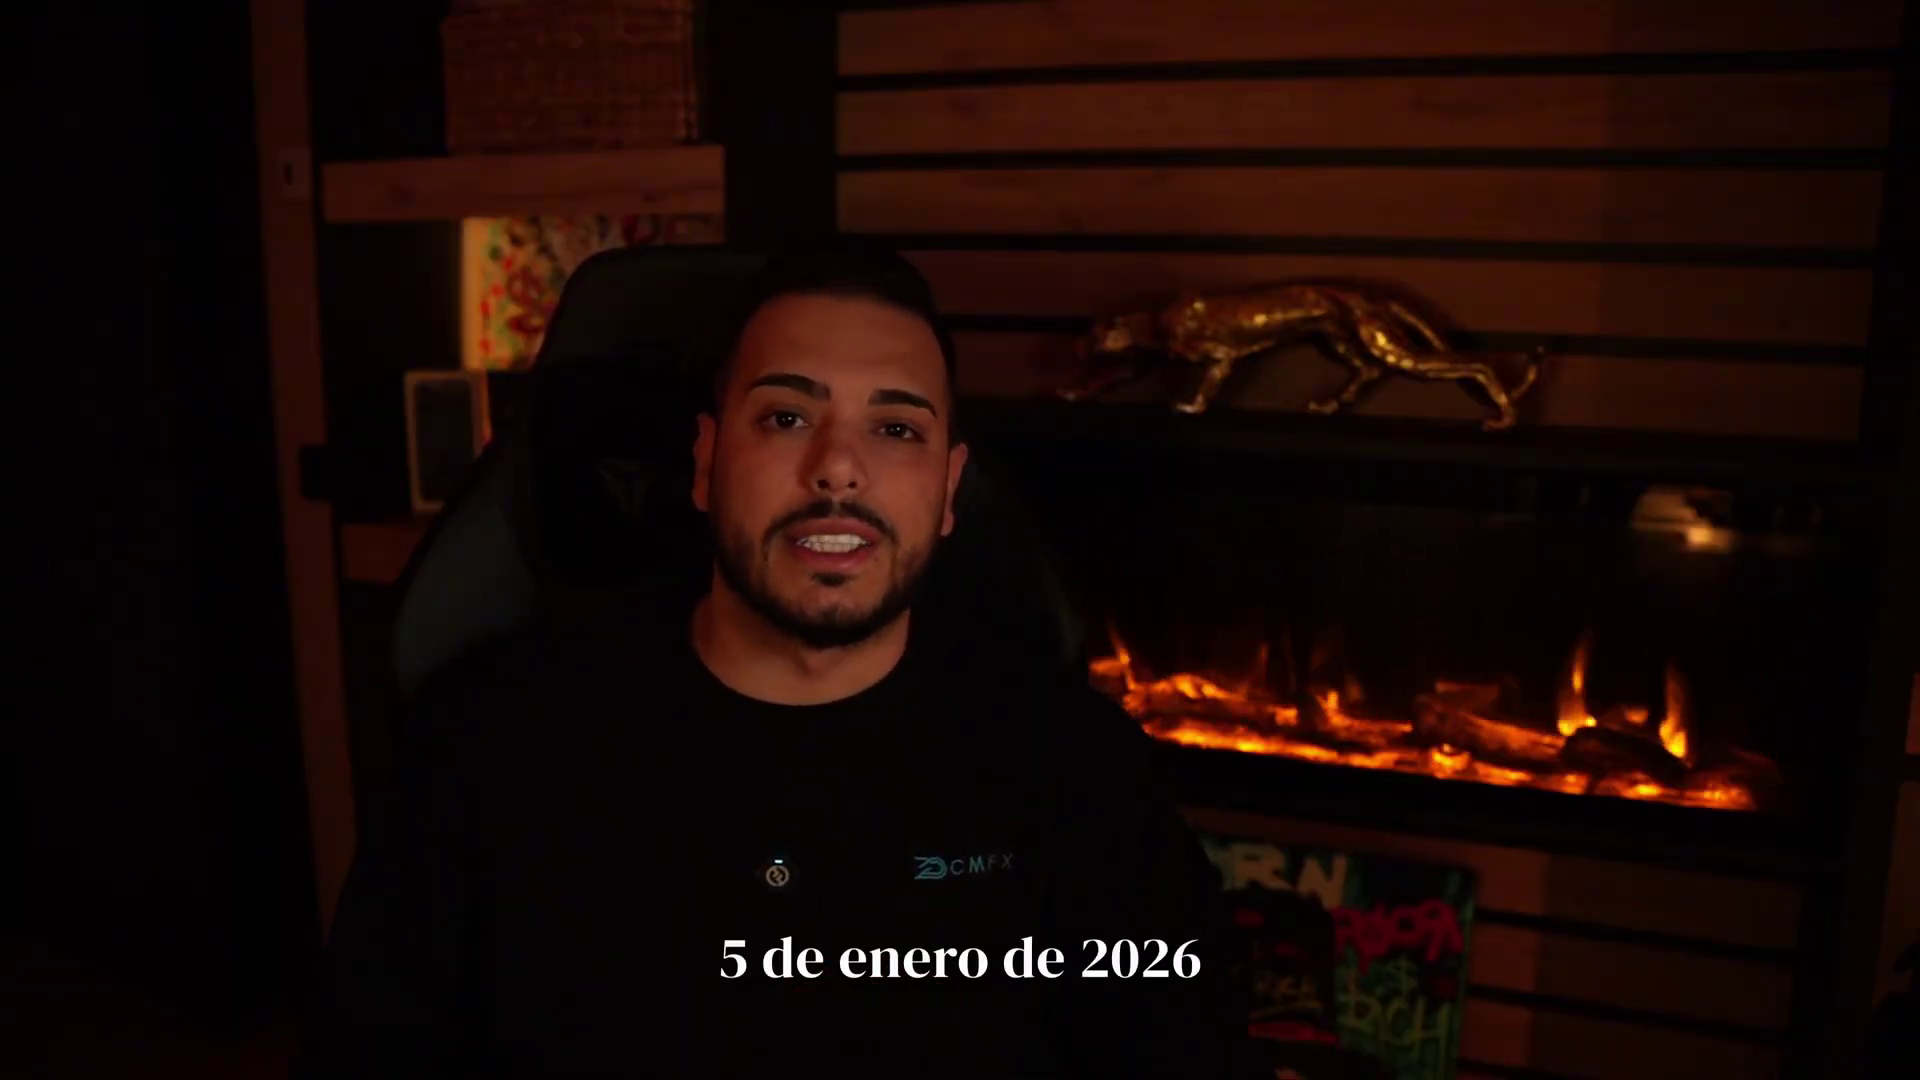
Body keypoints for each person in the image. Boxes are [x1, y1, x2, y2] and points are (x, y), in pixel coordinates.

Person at [294, 248, 1246, 1078]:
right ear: (705, 464)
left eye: (897, 428)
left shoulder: (1076, 768)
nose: (838, 467)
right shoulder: (490, 744)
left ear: (950, 489)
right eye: (786, 417)